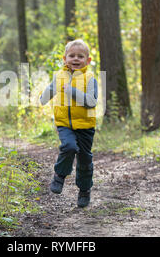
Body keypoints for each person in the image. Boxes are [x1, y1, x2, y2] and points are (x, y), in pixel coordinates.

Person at [39, 39, 98, 208]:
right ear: (65, 59)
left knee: (84, 159)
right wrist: (42, 99)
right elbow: (51, 89)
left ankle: (84, 190)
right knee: (69, 147)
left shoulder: (90, 78)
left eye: (80, 56)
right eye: (72, 55)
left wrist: (71, 91)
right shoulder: (60, 76)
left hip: (86, 126)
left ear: (88, 61)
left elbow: (92, 101)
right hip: (64, 123)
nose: (76, 59)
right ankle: (59, 175)